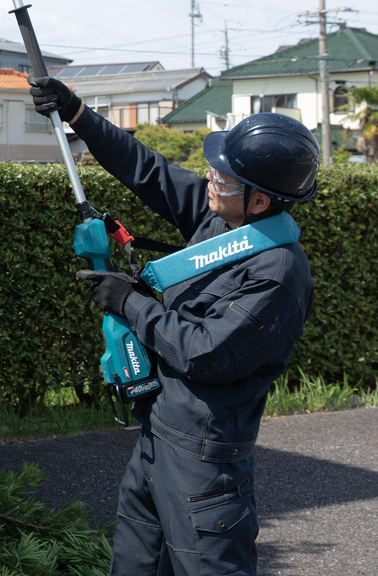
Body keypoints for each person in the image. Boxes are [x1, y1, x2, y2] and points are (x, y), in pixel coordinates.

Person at [31, 76, 318, 576]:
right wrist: (77, 113)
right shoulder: (223, 223)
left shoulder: (277, 275)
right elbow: (147, 170)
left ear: (260, 201)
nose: (210, 178)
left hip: (205, 463)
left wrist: (129, 302)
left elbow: (203, 352)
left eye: (224, 177)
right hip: (158, 435)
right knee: (134, 564)